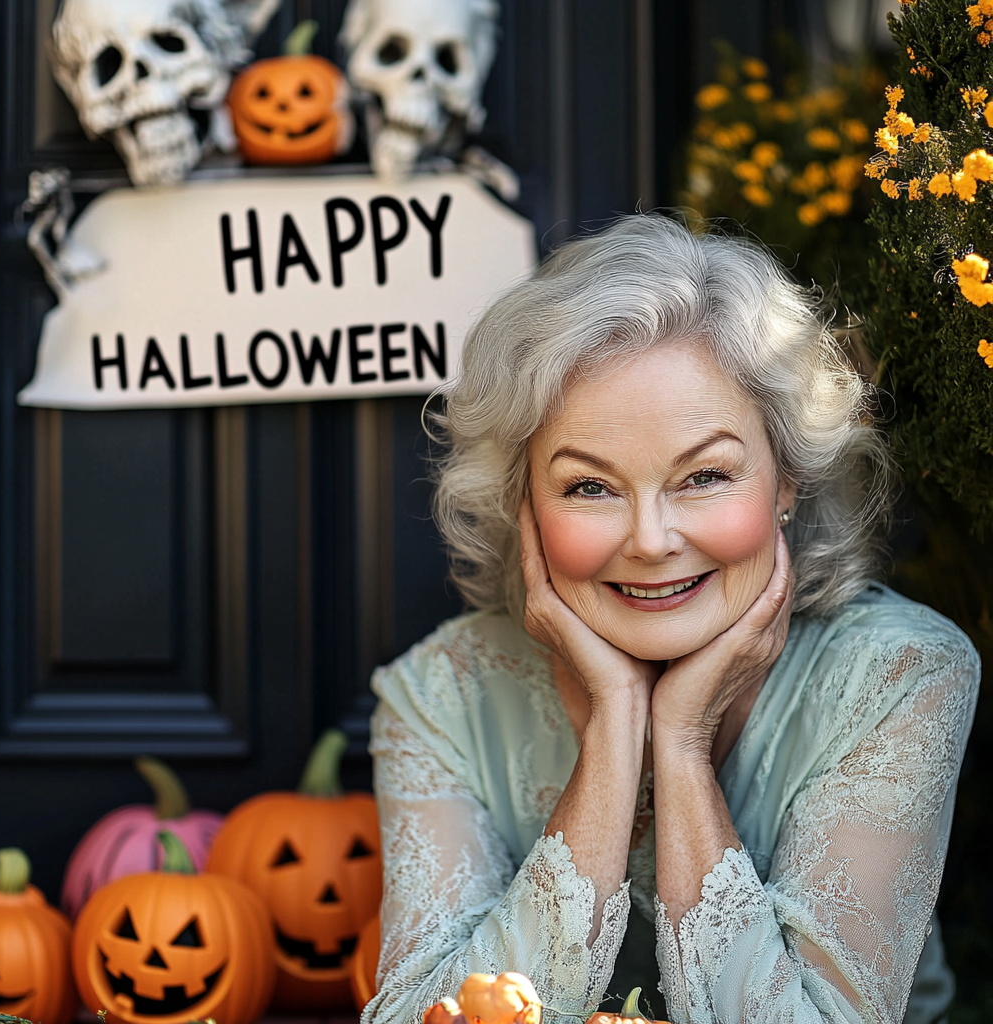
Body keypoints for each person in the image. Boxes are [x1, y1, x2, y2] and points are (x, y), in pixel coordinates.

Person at [362, 215, 980, 1024]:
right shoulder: (438, 697)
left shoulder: (902, 676)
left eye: (705, 476)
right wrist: (617, 726)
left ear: (786, 479)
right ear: (524, 507)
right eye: (589, 487)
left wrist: (681, 745)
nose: (651, 541)